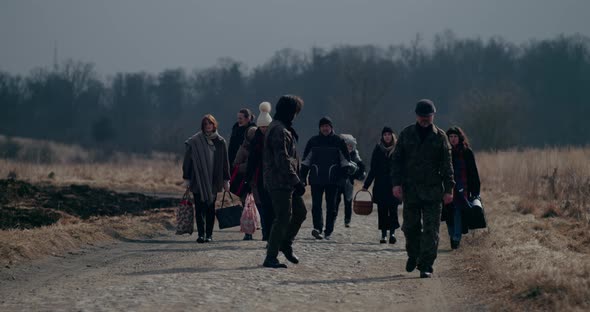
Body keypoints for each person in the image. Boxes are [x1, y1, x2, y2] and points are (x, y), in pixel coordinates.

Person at [391, 99, 455, 278]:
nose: (425, 120)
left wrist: (449, 189)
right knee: (410, 228)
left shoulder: (440, 137)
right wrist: (396, 184)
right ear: (416, 116)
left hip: (433, 192)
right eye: (422, 117)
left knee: (431, 230)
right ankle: (413, 255)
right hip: (411, 190)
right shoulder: (406, 134)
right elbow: (396, 161)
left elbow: (447, 165)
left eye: (428, 117)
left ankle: (426, 264)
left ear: (433, 116)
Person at [262, 95, 307, 269]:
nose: (296, 115)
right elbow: (283, 160)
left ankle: (285, 243)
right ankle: (271, 256)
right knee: (282, 217)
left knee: (300, 212)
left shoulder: (284, 128)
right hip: (279, 181)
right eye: (295, 112)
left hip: (286, 181)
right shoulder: (279, 130)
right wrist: (296, 181)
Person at [300, 116, 351, 240]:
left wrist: (343, 178)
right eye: (322, 126)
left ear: (331, 127)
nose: (325, 128)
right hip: (316, 179)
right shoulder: (313, 141)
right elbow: (306, 161)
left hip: (333, 180)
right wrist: (302, 177)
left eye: (327, 126)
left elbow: (345, 162)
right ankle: (317, 228)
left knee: (331, 206)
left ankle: (328, 230)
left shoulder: (338, 141)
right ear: (319, 128)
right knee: (316, 205)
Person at [182, 114, 231, 243]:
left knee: (210, 207)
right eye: (205, 124)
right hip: (197, 179)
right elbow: (187, 161)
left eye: (210, 124)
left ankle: (209, 235)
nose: (208, 126)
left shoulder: (220, 142)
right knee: (199, 208)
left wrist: (226, 180)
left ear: (214, 125)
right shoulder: (195, 141)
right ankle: (201, 235)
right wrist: (186, 178)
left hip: (214, 179)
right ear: (202, 126)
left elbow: (225, 163)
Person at [443, 126, 481, 250]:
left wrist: (475, 190)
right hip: (447, 187)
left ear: (460, 138)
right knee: (448, 212)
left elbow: (473, 172)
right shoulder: (444, 151)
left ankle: (456, 237)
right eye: (450, 137)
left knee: (458, 211)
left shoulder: (467, 152)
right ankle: (452, 235)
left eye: (455, 137)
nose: (453, 139)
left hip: (463, 187)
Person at [362, 127, 400, 244]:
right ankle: (383, 234)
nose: (387, 136)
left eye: (389, 134)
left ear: (393, 136)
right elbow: (373, 169)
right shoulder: (378, 149)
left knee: (393, 210)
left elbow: (402, 168)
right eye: (385, 135)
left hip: (394, 185)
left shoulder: (398, 149)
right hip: (380, 185)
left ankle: (392, 233)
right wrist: (366, 185)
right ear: (382, 137)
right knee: (382, 211)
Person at [244, 101, 274, 241]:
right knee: (263, 206)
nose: (263, 129)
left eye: (266, 126)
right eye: (261, 127)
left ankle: (270, 233)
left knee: (270, 207)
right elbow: (251, 160)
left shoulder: (275, 139)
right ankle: (266, 233)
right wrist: (248, 178)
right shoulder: (255, 140)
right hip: (258, 178)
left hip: (272, 177)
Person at [336, 134, 366, 228]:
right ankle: (333, 218)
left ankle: (347, 220)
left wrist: (361, 171)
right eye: (347, 145)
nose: (349, 147)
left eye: (350, 145)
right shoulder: (338, 153)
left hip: (349, 182)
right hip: (338, 181)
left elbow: (360, 164)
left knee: (348, 202)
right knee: (335, 201)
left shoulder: (354, 154)